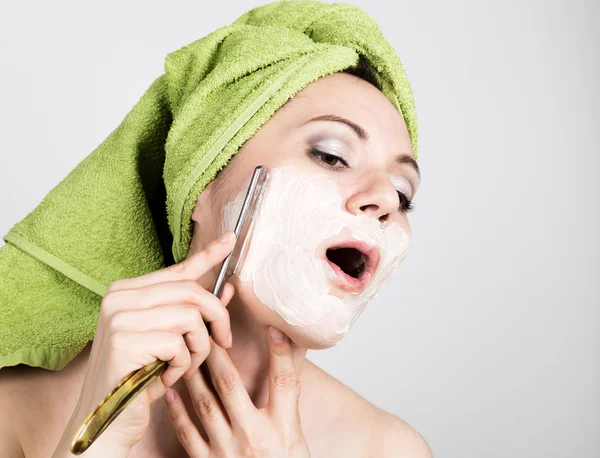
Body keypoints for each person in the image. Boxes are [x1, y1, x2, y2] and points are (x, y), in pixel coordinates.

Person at [0, 2, 432, 457]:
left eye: (403, 194)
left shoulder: (388, 448)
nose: (385, 200)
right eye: (330, 154)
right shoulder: (19, 408)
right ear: (201, 183)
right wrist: (93, 443)